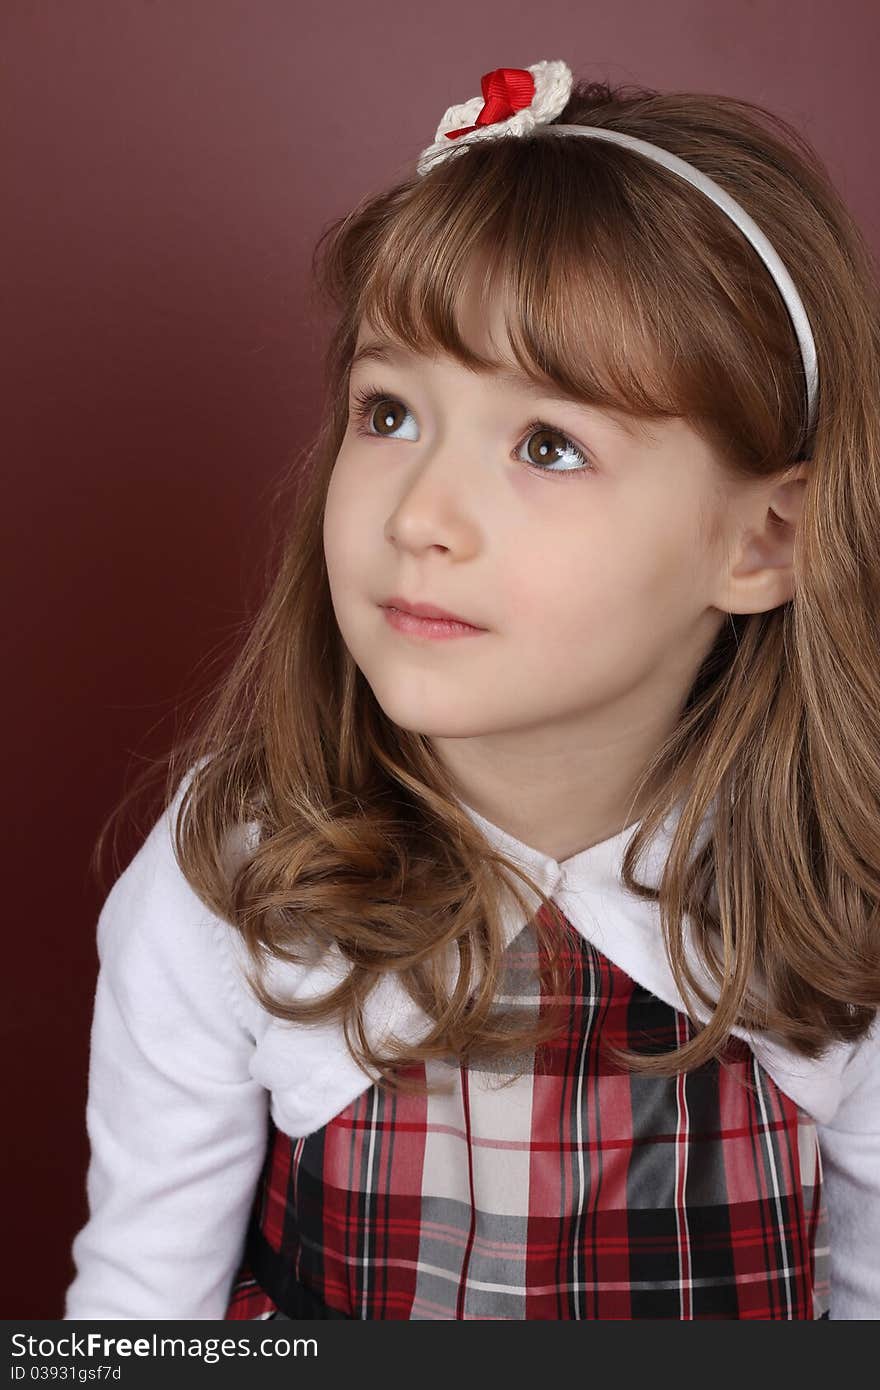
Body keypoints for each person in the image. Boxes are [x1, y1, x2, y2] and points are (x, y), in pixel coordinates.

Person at [63, 59, 880, 1321]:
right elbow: (136, 1311)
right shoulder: (234, 877)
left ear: (763, 542)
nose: (421, 513)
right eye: (388, 413)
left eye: (548, 444)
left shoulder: (843, 898)